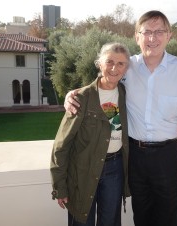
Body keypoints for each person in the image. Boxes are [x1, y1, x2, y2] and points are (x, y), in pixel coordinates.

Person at [64, 10, 177, 226]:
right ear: (137, 37)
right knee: (140, 215)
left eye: (159, 31)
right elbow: (102, 83)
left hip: (168, 157)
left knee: (169, 216)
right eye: (147, 32)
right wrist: (72, 94)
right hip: (134, 157)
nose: (153, 38)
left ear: (169, 36)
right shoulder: (126, 67)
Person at [50, 42, 131, 226]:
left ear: (126, 69)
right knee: (81, 220)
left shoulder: (126, 94)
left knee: (110, 221)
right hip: (83, 169)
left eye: (120, 64)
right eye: (109, 61)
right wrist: (60, 187)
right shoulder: (82, 98)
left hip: (115, 168)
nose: (114, 68)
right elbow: (61, 146)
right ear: (99, 64)